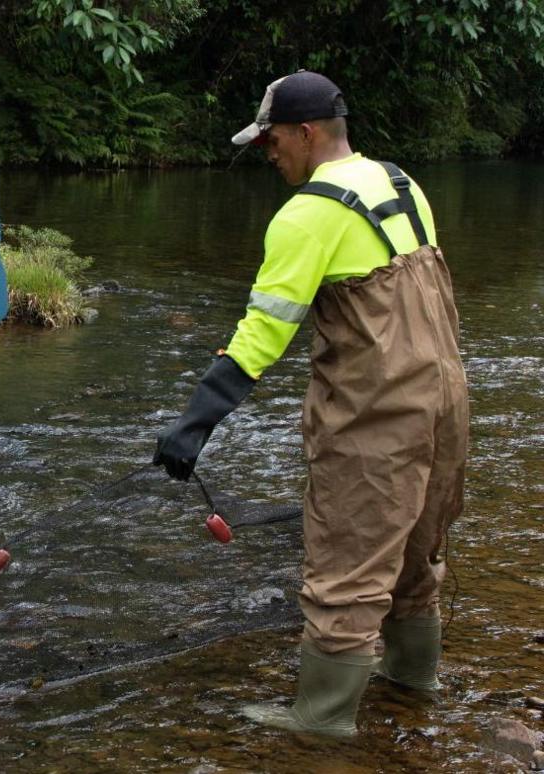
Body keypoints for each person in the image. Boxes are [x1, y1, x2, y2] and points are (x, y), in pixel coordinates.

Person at [153, 71, 469, 736]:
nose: (269, 152)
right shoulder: (399, 182)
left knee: (345, 565)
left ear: (306, 132)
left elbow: (261, 337)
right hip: (445, 404)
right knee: (416, 553)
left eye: (271, 139)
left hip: (374, 418)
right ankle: (412, 685)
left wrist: (193, 426)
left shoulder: (305, 214)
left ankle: (322, 719)